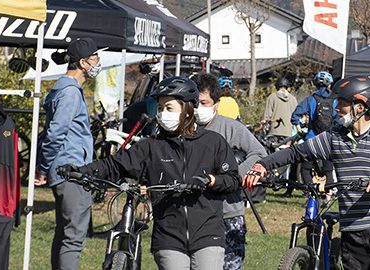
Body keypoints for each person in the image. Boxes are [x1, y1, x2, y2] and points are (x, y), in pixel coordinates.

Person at [244, 75, 370, 270]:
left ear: (360, 107)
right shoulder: (334, 137)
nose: (336, 108)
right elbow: (296, 153)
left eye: (343, 103)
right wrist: (263, 165)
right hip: (352, 231)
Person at [61, 76, 240, 270]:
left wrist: (211, 180)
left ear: (188, 110)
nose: (163, 113)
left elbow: (232, 179)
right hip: (169, 237)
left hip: (208, 235)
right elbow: (115, 165)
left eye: (169, 108)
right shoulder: (151, 146)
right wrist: (81, 171)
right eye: (160, 108)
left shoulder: (213, 142)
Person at [34, 38, 103, 270]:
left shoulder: (62, 89)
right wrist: (43, 167)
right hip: (71, 171)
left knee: (64, 233)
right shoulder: (70, 93)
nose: (98, 61)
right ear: (83, 63)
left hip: (63, 170)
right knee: (73, 237)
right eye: (95, 57)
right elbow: (55, 133)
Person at [193, 74, 267, 270]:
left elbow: (259, 153)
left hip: (228, 212)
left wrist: (234, 177)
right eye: (194, 102)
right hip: (194, 213)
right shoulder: (184, 129)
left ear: (216, 104)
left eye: (203, 102)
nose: (198, 107)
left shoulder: (230, 127)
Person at [289, 71, 338, 196]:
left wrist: (299, 128)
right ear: (329, 84)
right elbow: (339, 120)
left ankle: (311, 193)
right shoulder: (335, 100)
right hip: (328, 138)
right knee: (328, 169)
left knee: (305, 168)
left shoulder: (311, 99)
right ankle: (328, 195)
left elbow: (295, 115)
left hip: (312, 137)